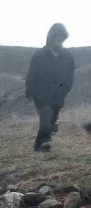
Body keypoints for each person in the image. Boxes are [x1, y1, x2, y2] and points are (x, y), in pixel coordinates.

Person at [26, 23, 75, 152]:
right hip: (41, 94)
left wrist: (65, 89)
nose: (59, 40)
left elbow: (70, 75)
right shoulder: (39, 54)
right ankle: (47, 141)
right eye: (56, 37)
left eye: (61, 38)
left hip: (58, 95)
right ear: (51, 37)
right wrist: (30, 92)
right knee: (46, 117)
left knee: (51, 121)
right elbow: (32, 74)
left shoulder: (67, 55)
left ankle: (38, 147)